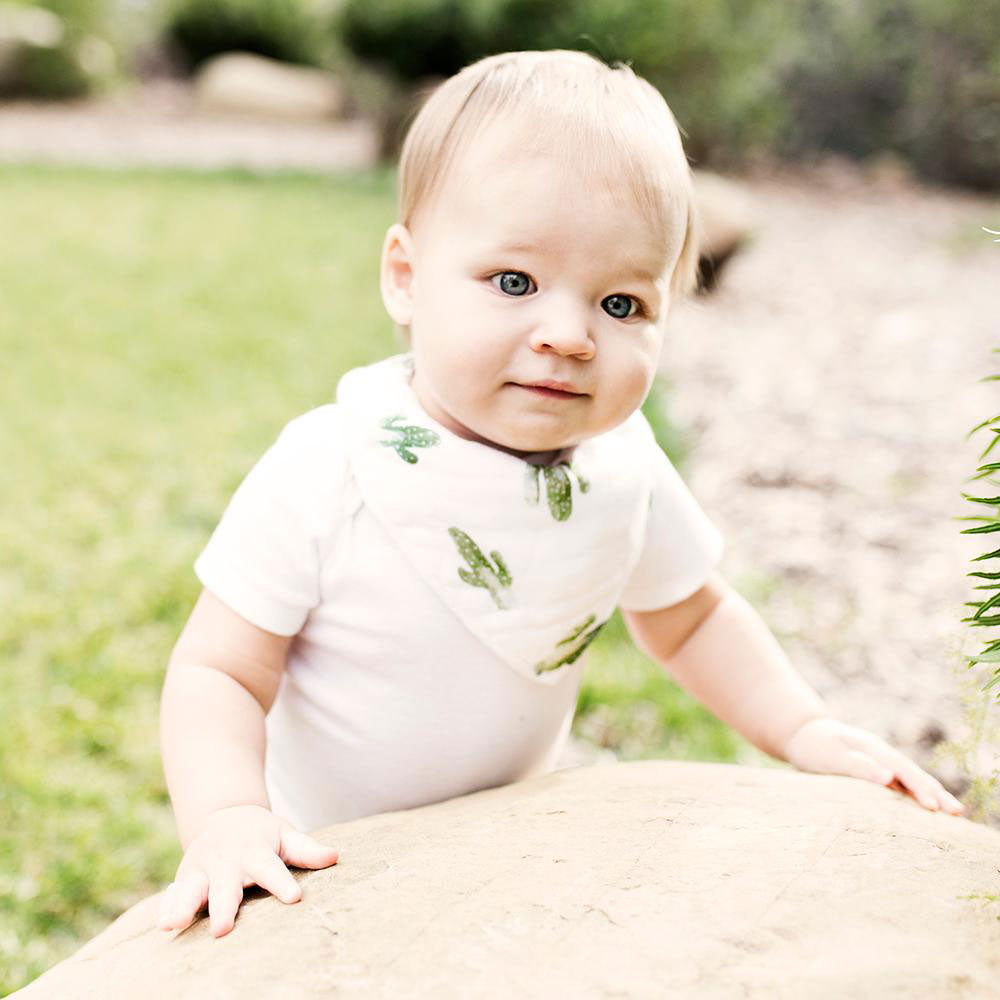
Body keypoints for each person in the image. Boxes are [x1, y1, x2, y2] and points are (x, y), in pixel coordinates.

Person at [157, 49, 964, 940]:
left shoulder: (619, 467)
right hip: (322, 857)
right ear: (404, 278)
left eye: (621, 305)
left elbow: (690, 618)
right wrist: (232, 818)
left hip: (499, 846)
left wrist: (801, 727)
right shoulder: (333, 466)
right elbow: (218, 671)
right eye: (515, 283)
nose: (569, 335)